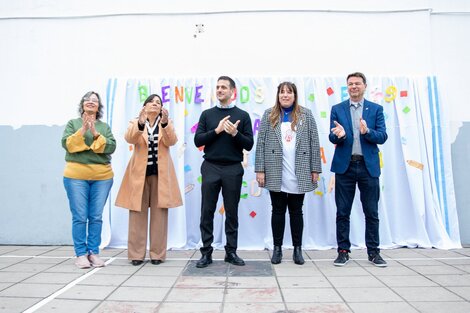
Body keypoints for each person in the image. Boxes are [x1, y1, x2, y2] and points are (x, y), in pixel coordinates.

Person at [255, 82, 322, 265]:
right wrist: (260, 169)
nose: (285, 95)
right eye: (282, 92)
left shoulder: (306, 114)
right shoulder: (269, 114)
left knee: (296, 211)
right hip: (276, 170)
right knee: (277, 210)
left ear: (295, 95)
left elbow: (314, 142)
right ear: (277, 95)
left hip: (298, 171)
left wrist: (315, 168)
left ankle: (297, 249)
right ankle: (277, 249)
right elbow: (260, 144)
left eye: (289, 92)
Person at [194, 76, 254, 268]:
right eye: (217, 87)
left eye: (223, 87)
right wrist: (217, 130)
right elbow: (198, 141)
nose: (219, 90)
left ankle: (231, 252)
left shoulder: (242, 116)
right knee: (207, 211)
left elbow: (249, 144)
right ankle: (206, 253)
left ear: (232, 91)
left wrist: (235, 134)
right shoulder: (207, 114)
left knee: (232, 212)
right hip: (210, 166)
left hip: (233, 169)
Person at [115, 94, 182, 266]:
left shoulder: (166, 124)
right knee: (137, 215)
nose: (155, 104)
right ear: (144, 107)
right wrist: (140, 122)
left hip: (160, 176)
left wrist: (166, 124)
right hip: (139, 175)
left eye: (158, 102)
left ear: (161, 108)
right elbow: (130, 138)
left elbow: (172, 141)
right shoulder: (136, 122)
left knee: (160, 217)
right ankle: (136, 254)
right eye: (151, 101)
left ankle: (157, 254)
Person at [329, 72, 388, 267]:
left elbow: (382, 136)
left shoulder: (376, 109)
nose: (353, 86)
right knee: (342, 212)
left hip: (367, 167)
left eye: (357, 83)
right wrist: (339, 135)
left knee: (371, 212)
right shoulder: (337, 109)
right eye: (350, 84)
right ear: (347, 87)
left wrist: (367, 132)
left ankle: (374, 252)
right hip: (344, 167)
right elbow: (332, 136)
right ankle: (343, 251)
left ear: (364, 86)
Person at [62, 91, 116, 269]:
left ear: (99, 106)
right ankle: (81, 254)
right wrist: (84, 129)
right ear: (82, 104)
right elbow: (68, 144)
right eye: (87, 99)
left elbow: (110, 146)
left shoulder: (104, 127)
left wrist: (94, 132)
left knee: (96, 216)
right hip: (76, 176)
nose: (91, 102)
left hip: (102, 177)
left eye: (95, 100)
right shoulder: (73, 124)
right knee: (79, 217)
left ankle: (93, 253)